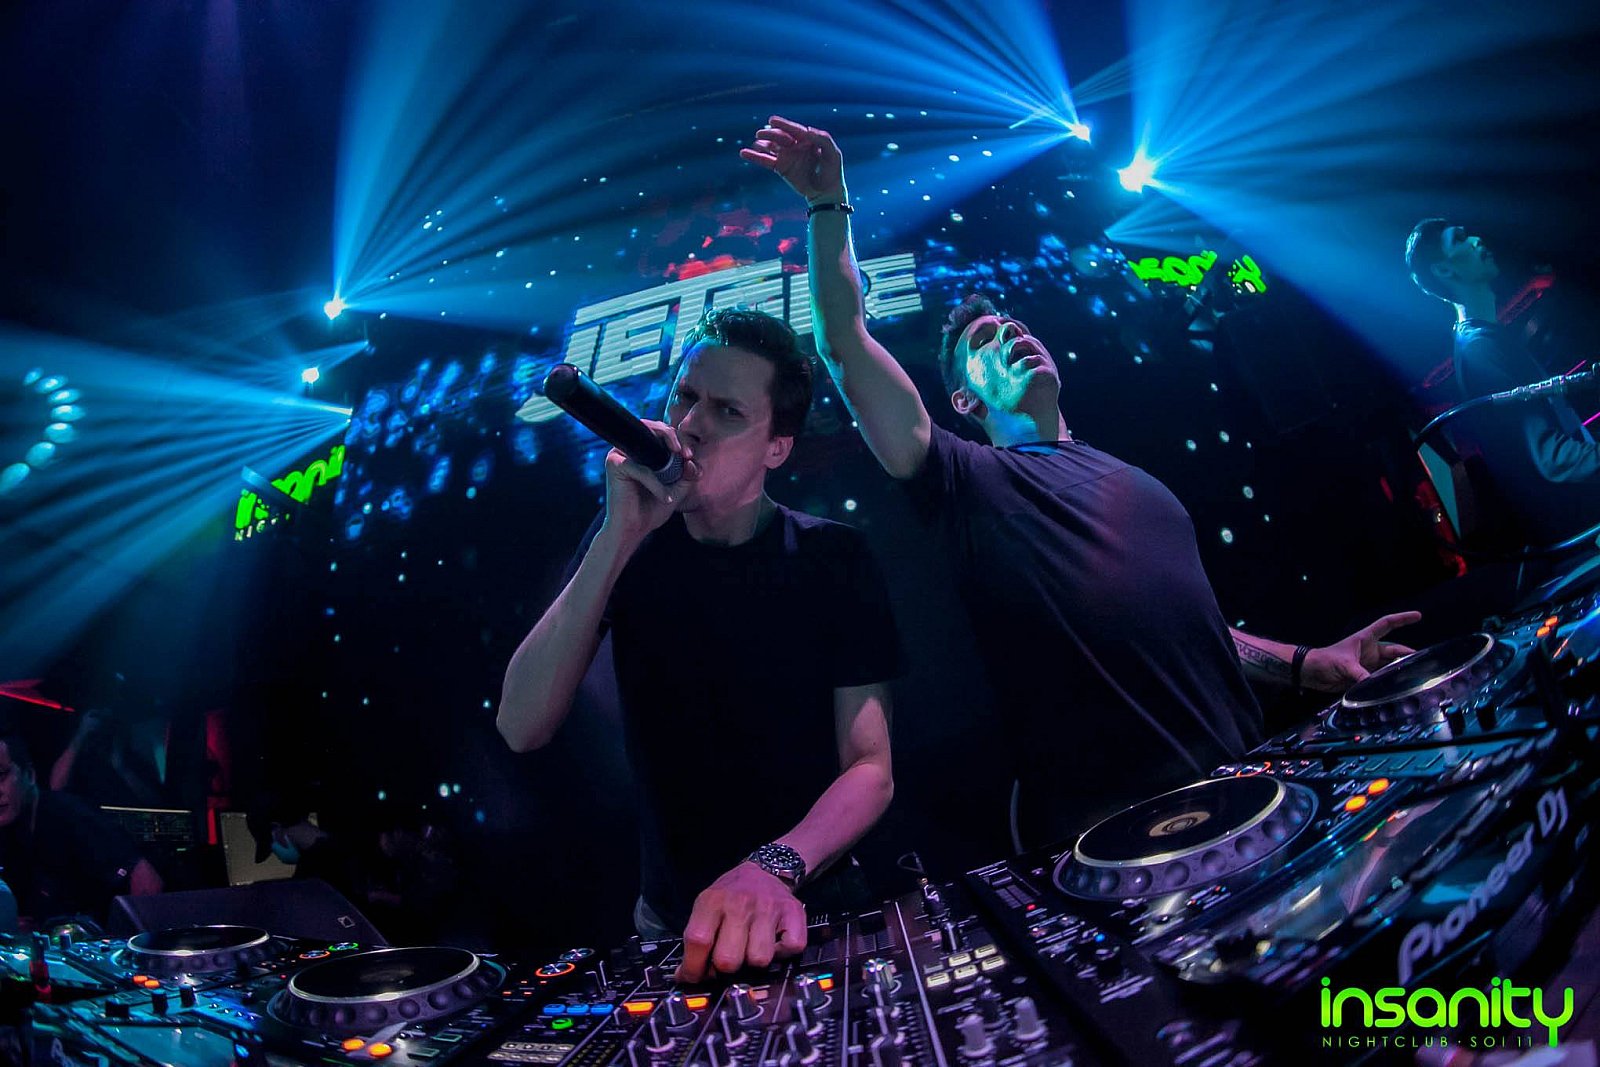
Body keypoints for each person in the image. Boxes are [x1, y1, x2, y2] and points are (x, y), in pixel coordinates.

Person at [743, 116, 1421, 849]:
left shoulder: (1134, 479)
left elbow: (1196, 632)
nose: (1011, 332)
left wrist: (1311, 664)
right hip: (1118, 841)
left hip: (1253, 792)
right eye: (985, 340)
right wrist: (828, 206)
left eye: (1015, 325)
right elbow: (845, 343)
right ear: (964, 401)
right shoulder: (966, 478)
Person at [498, 307, 901, 982]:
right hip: (672, 924)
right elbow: (520, 724)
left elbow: (870, 768)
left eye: (727, 411)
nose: (689, 424)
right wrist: (617, 535)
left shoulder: (833, 557)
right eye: (684, 396)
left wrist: (770, 866)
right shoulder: (626, 542)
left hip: (811, 902)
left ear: (777, 447)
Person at [1405, 218, 1600, 546]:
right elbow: (1551, 458)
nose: (1476, 239)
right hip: (1581, 530)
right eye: (1460, 239)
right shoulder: (1480, 350)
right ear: (1444, 270)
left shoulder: (1488, 340)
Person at [0, 733, 162, 927]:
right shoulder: (10, 831)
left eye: (1, 776)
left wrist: (125, 941)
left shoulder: (72, 816)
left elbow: (146, 882)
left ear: (30, 775)